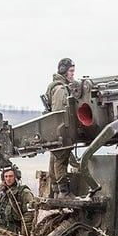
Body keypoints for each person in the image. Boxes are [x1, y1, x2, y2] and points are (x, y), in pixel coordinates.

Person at [45, 57, 76, 196]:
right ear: (63, 71)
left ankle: (56, 189)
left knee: (56, 157)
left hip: (56, 129)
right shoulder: (60, 90)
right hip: (61, 129)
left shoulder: (57, 86)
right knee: (61, 157)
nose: (72, 74)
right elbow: (59, 113)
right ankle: (62, 190)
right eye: (71, 71)